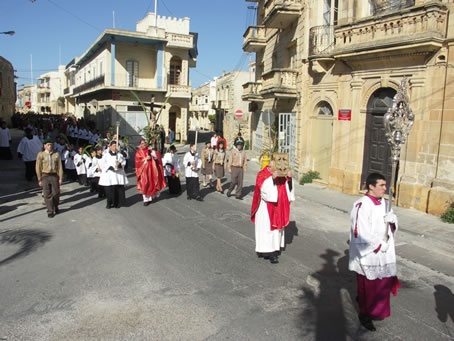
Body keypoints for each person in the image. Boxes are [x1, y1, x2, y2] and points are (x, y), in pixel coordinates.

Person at [349, 172, 400, 332]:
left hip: (383, 252)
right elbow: (359, 232)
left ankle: (377, 309)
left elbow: (389, 222)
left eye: (385, 185)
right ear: (371, 186)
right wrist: (377, 245)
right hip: (369, 253)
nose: (385, 188)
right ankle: (365, 314)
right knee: (368, 287)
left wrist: (392, 222)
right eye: (381, 185)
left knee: (382, 284)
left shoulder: (385, 203)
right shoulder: (362, 205)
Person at [251, 159, 295, 264]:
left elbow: (288, 190)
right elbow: (263, 191)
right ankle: (264, 250)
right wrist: (273, 179)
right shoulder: (262, 175)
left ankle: (273, 252)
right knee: (266, 230)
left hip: (279, 207)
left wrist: (289, 178)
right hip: (265, 208)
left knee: (276, 232)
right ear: (271, 167)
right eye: (276, 168)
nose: (279, 171)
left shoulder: (281, 175)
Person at [35, 138, 63, 218]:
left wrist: (60, 177)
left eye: (51, 144)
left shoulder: (56, 154)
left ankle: (56, 206)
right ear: (44, 146)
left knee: (56, 193)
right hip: (45, 176)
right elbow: (38, 167)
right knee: (47, 194)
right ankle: (50, 210)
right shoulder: (41, 154)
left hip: (54, 175)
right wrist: (39, 178)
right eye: (48, 145)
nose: (50, 146)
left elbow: (59, 167)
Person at [135, 139, 166, 206]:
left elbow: (157, 157)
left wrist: (152, 152)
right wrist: (145, 159)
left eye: (144, 143)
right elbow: (138, 162)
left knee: (152, 183)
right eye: (142, 143)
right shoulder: (138, 152)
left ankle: (151, 197)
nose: (144, 144)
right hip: (144, 171)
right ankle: (146, 200)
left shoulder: (150, 150)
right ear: (140, 144)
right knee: (145, 184)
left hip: (152, 169)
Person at [99, 140, 128, 209]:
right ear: (110, 147)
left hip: (117, 175)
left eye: (116, 146)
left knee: (116, 190)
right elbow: (102, 164)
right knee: (109, 191)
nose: (115, 147)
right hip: (109, 175)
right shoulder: (106, 155)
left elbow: (124, 162)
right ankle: (109, 203)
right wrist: (109, 167)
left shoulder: (120, 155)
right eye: (114, 146)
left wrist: (120, 164)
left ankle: (116, 203)